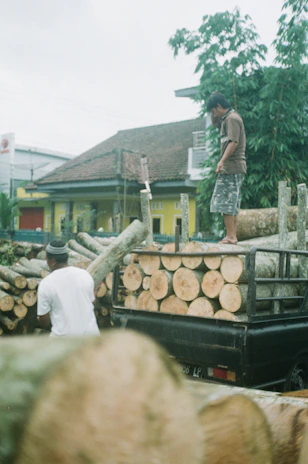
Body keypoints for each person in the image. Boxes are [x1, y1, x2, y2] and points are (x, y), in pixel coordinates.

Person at [37, 239, 100, 337]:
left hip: (65, 341)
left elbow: (43, 320)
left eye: (47, 259)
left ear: (53, 261)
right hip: (91, 337)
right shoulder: (85, 275)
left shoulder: (46, 283)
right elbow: (91, 302)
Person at [206, 92, 246, 244]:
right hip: (233, 167)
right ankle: (232, 236)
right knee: (231, 201)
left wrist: (222, 161)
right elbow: (216, 124)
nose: (213, 114)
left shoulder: (232, 119)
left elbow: (234, 142)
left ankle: (231, 236)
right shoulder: (227, 119)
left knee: (225, 201)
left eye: (213, 111)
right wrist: (213, 114)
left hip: (232, 166)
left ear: (219, 106)